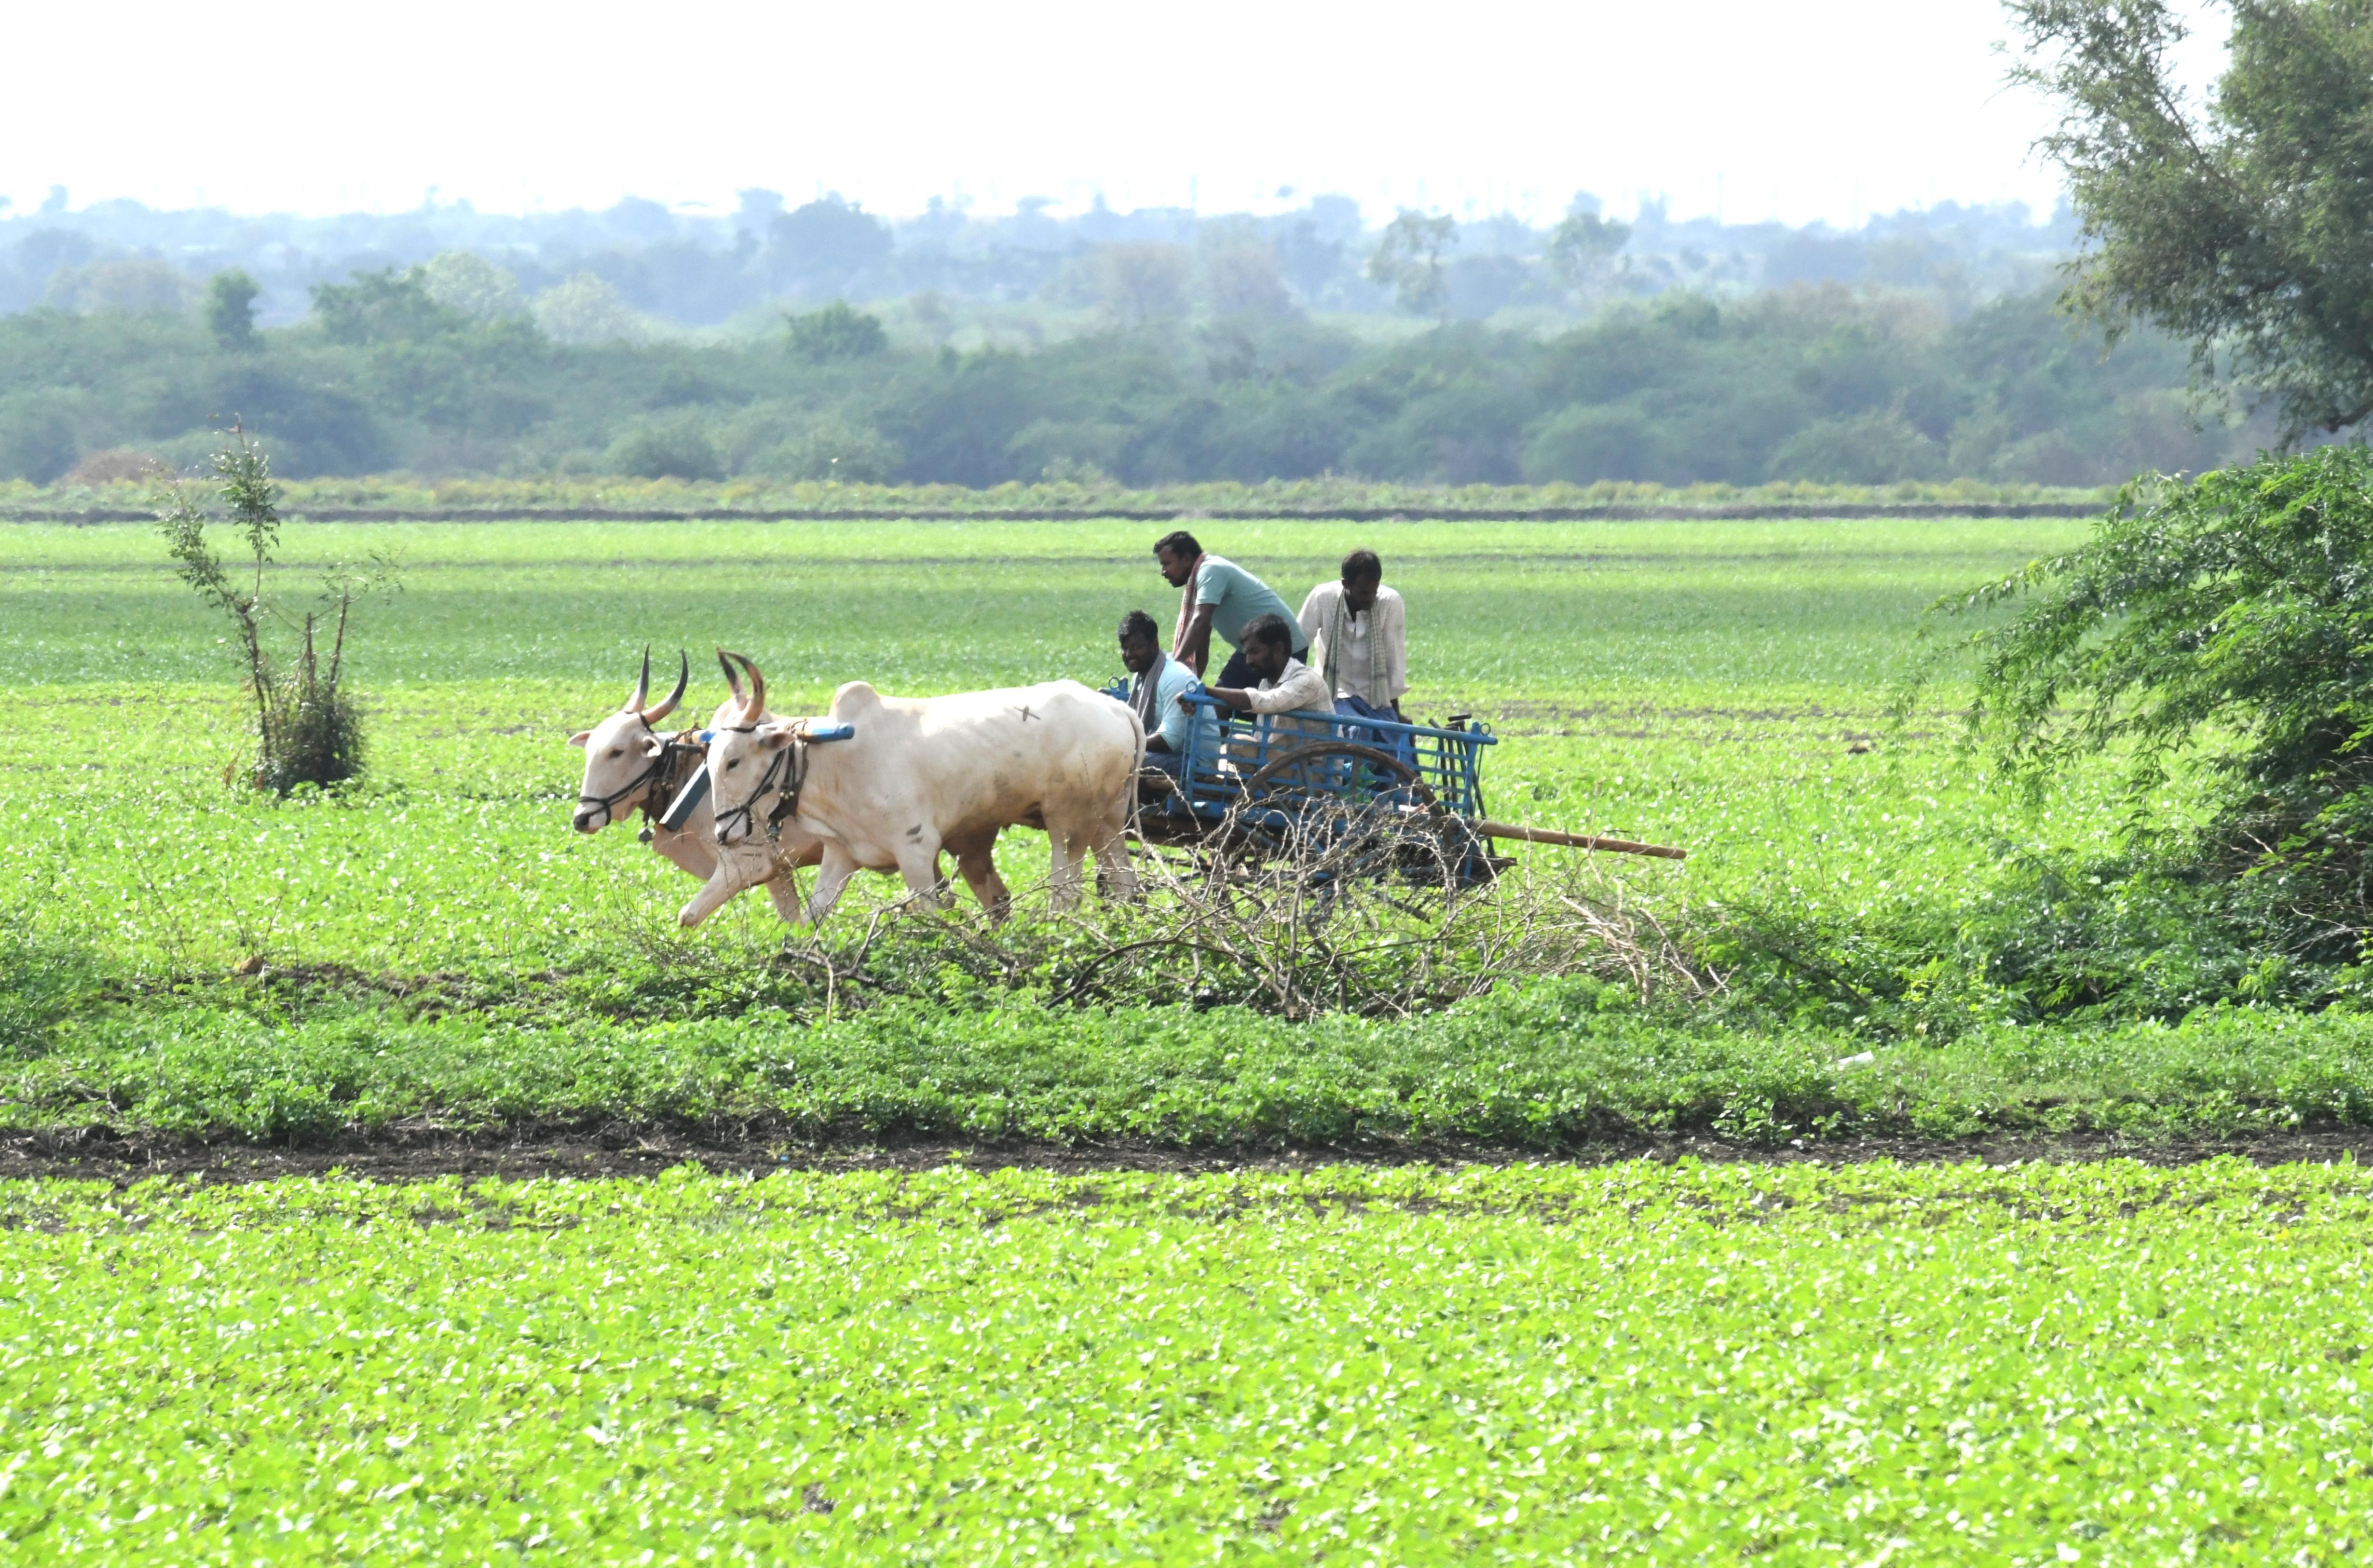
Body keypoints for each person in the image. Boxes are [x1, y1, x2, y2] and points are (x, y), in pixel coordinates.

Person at [1153, 530, 1310, 698]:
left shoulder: (1210, 570)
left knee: (1271, 710)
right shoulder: (1201, 582)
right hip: (1249, 651)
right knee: (1216, 706)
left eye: (1167, 564)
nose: (1163, 572)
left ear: (1186, 559)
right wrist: (1192, 684)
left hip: (1281, 650)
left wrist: (1174, 668)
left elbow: (1200, 621)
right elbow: (1201, 640)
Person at [1200, 613, 1337, 779]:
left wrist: (1208, 691)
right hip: (1285, 762)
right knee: (1226, 749)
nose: (1249, 661)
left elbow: (1266, 702)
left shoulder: (1306, 680)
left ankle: (1218, 781)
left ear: (1278, 649)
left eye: (1255, 652)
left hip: (1317, 776)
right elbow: (1262, 737)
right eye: (1247, 654)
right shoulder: (1267, 683)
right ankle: (1218, 780)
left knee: (1236, 745)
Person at [1298, 548, 1408, 723]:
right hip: (1334, 694)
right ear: (1346, 584)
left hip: (1375, 697)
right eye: (1364, 593)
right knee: (1358, 730)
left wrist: (1395, 714)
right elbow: (1299, 644)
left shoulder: (1389, 602)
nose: (1371, 599)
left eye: (1374, 591)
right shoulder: (1323, 598)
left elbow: (1394, 661)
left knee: (1394, 737)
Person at [1117, 609, 1215, 783]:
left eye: (1137, 647)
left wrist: (1125, 744)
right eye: (1125, 648)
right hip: (1174, 755)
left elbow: (1170, 740)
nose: (1129, 654)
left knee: (1123, 759)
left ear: (1155, 644)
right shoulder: (1140, 677)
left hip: (1195, 762)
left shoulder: (1174, 678)